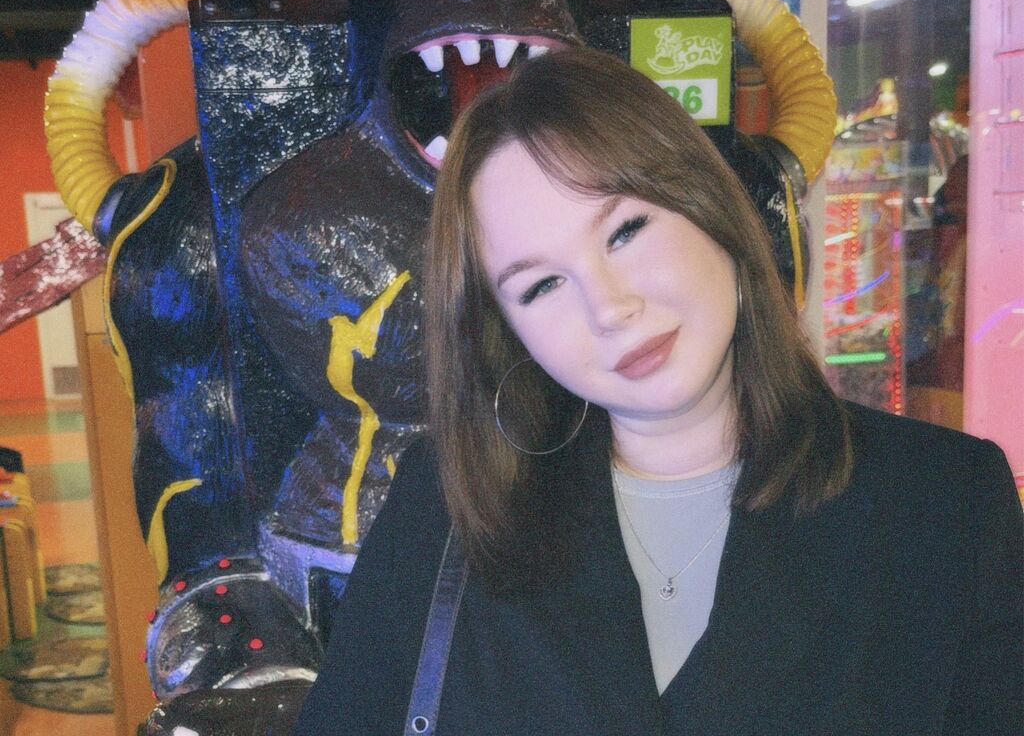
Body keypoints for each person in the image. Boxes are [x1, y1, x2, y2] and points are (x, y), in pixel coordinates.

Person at [294, 48, 1022, 735]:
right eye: (541, 285)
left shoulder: (946, 502)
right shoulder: (445, 508)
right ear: (508, 332)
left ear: (711, 208)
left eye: (626, 231)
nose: (609, 308)